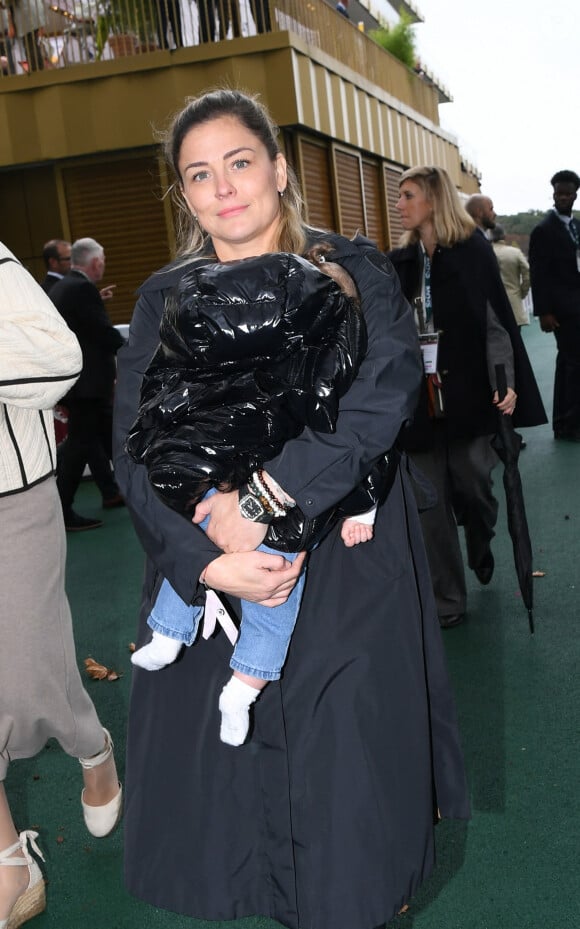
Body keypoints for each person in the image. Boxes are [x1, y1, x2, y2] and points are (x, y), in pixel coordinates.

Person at [113, 88, 470, 929]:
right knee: (247, 815)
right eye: (199, 175)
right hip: (215, 572)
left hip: (347, 565)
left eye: (239, 162)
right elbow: (134, 450)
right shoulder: (165, 296)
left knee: (350, 809)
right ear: (185, 194)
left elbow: (384, 396)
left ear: (277, 167)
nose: (224, 187)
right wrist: (208, 561)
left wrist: (269, 501)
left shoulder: (353, 268)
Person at [126, 248, 378, 746]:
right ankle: (169, 634)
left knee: (277, 598)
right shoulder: (264, 351)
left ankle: (243, 687)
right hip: (234, 488)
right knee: (194, 555)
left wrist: (360, 506)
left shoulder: (324, 363)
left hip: (289, 517)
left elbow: (367, 453)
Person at [0, 242, 122, 929]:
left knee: (26, 678)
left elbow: (59, 356)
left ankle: (91, 744)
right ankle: (10, 866)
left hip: (11, 498)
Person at [389, 165, 546, 628]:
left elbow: (495, 322)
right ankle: (448, 602)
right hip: (419, 401)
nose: (399, 204)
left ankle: (480, 536)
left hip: (469, 394)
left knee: (475, 488)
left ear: (433, 200)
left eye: (407, 195)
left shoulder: (473, 252)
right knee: (430, 505)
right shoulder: (401, 261)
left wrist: (508, 381)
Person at [50, 237, 125, 531]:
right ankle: (63, 509)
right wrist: (134, 349)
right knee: (81, 447)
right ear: (95, 263)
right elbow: (102, 333)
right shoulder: (81, 289)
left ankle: (120, 492)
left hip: (81, 386)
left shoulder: (66, 286)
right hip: (89, 387)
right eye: (103, 262)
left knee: (104, 442)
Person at [529, 169, 580, 442]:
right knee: (572, 364)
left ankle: (567, 421)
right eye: (558, 193)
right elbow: (539, 273)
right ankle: (567, 425)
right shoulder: (543, 229)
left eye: (567, 193)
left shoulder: (576, 227)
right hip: (561, 310)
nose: (562, 197)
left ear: (575, 195)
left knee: (572, 364)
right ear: (553, 194)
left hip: (577, 306)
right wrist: (544, 312)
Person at [491, 225, 530, 327]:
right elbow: (527, 273)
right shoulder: (514, 252)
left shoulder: (485, 252)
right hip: (514, 302)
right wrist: (522, 292)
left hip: (492, 306)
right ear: (504, 236)